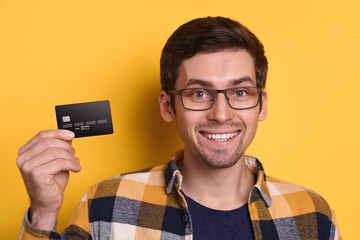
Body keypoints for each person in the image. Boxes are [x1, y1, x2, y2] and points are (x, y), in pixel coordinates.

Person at [17, 16, 341, 239]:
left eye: (240, 92)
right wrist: (44, 213)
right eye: (199, 93)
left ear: (262, 104)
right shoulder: (106, 205)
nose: (221, 113)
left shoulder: (313, 215)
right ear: (167, 106)